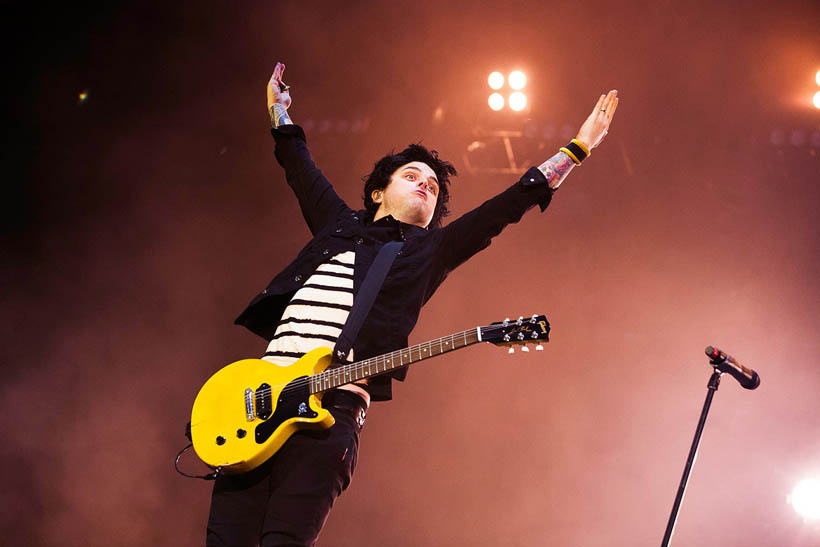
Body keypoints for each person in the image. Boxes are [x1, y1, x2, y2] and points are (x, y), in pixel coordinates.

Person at [205, 62, 619, 546]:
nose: (426, 183)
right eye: (412, 175)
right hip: (255, 402)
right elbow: (300, 168)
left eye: (434, 185)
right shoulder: (338, 224)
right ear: (378, 192)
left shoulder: (430, 250)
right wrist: (278, 113)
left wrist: (578, 147)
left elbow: (509, 204)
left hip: (328, 412)